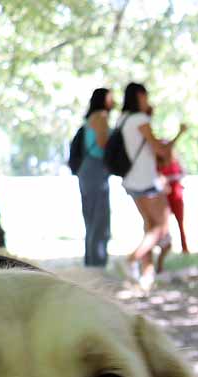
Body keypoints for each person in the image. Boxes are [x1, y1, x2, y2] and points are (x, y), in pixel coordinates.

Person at [118, 83, 174, 290]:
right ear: (140, 96)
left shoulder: (122, 120)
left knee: (149, 226)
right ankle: (131, 260)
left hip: (131, 180)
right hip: (145, 180)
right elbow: (159, 149)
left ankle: (147, 274)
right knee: (160, 228)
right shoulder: (140, 120)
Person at [77, 88, 113, 267]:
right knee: (100, 221)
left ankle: (91, 264)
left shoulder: (91, 118)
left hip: (86, 171)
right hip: (96, 171)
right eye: (110, 97)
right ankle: (97, 266)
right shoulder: (101, 117)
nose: (113, 100)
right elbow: (102, 144)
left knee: (91, 221)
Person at [157, 125, 189, 254]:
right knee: (164, 226)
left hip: (176, 194)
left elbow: (183, 173)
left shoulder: (175, 162)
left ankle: (184, 247)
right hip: (165, 197)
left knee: (181, 222)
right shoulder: (157, 165)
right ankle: (165, 249)